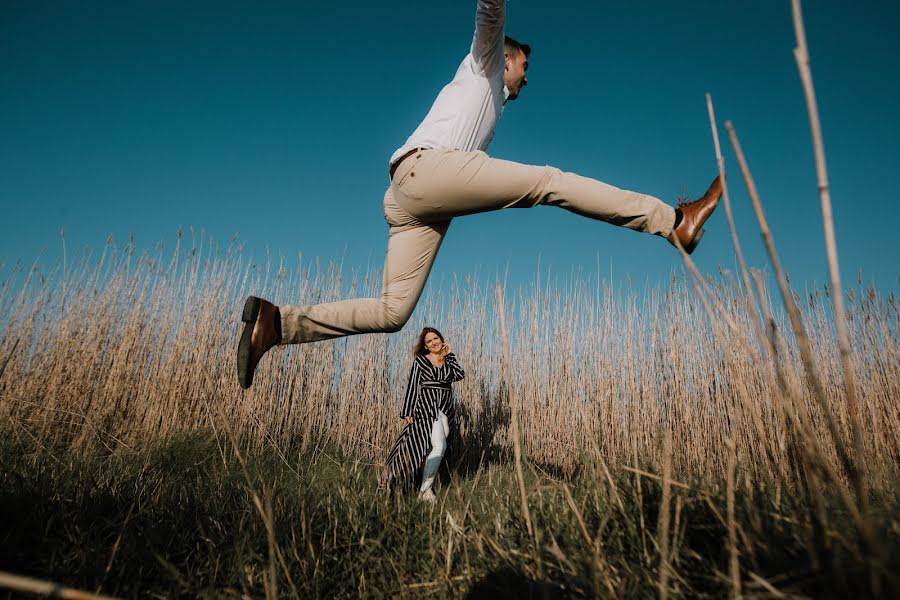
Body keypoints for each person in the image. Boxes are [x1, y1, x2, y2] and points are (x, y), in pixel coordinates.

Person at [236, 0, 722, 389]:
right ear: (506, 58)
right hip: (425, 173)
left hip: (412, 202)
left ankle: (276, 325)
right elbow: (491, 11)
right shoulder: (484, 64)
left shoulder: (492, 105)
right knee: (550, 182)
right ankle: (674, 222)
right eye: (524, 66)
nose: (527, 77)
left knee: (393, 313)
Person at [383, 327, 466, 500]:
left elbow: (459, 375)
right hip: (427, 408)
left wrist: (448, 355)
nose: (434, 342)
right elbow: (413, 386)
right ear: (425, 346)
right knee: (439, 445)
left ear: (441, 339)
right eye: (429, 341)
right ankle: (425, 490)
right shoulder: (421, 361)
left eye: (436, 338)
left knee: (434, 448)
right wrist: (408, 410)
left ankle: (421, 483)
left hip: (445, 408)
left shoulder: (447, 360)